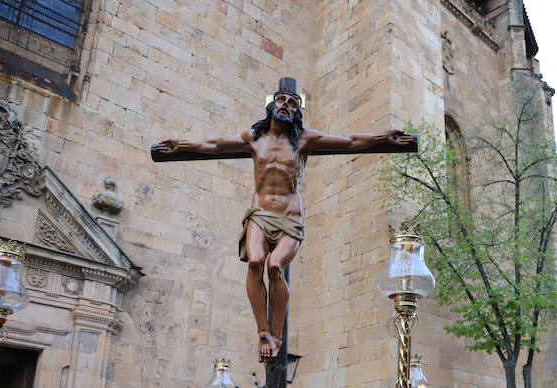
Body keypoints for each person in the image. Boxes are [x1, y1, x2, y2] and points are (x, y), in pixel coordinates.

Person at [156, 77, 412, 362]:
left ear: (297, 111)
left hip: (290, 217)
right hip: (261, 214)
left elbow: (350, 141)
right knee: (255, 262)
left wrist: (382, 138)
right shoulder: (253, 138)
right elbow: (213, 145)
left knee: (275, 266)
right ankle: (263, 331)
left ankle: (277, 334)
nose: (287, 105)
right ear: (272, 105)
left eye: (293, 103)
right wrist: (179, 146)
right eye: (282, 100)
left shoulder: (304, 140)